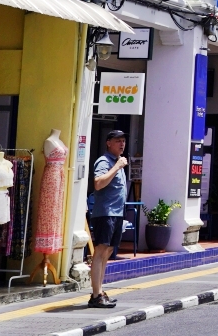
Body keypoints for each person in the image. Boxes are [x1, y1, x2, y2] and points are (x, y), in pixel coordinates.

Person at [89, 130, 128, 308]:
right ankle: (96, 295)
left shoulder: (117, 161)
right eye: (117, 141)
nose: (122, 144)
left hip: (117, 213)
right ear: (108, 143)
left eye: (123, 141)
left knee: (108, 251)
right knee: (100, 250)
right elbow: (98, 183)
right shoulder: (105, 162)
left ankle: (99, 291)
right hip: (105, 213)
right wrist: (117, 167)